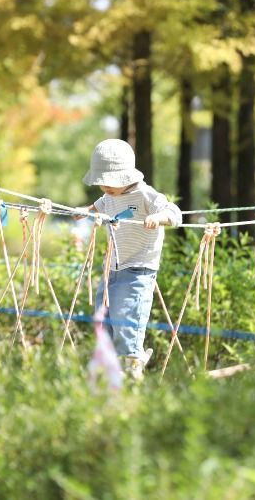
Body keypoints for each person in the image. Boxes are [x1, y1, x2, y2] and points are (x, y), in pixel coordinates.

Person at [76, 139, 182, 379]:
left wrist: (160, 218)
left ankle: (134, 360)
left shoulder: (146, 195)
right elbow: (98, 205)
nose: (105, 189)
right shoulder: (109, 196)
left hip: (138, 267)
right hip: (112, 266)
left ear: (124, 177)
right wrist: (86, 212)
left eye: (109, 183)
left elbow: (175, 213)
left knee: (127, 312)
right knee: (104, 316)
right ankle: (111, 364)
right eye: (101, 184)